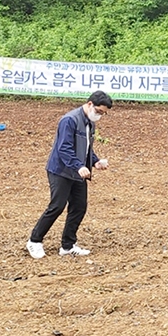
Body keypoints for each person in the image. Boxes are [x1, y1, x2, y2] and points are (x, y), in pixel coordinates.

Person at [26, 90, 113, 259]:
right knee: (57, 206)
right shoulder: (69, 120)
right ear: (89, 104)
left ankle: (68, 245)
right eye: (99, 111)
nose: (100, 116)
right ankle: (34, 240)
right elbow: (64, 148)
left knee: (79, 206)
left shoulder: (90, 123)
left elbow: (86, 147)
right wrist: (78, 165)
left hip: (78, 172)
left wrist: (95, 161)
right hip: (61, 170)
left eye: (104, 113)